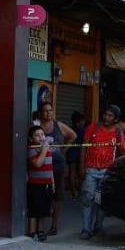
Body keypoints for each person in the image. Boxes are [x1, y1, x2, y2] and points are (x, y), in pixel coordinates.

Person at [78, 105, 125, 239]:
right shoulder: (93, 127)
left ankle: (98, 227)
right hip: (91, 170)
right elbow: (83, 147)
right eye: (106, 114)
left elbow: (123, 151)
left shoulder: (117, 132)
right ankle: (86, 229)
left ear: (115, 119)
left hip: (106, 172)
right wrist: (81, 167)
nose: (106, 117)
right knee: (87, 199)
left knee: (101, 201)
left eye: (110, 116)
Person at [36, 100, 76, 235]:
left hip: (58, 165)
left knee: (57, 195)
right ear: (40, 113)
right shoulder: (36, 126)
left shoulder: (58, 125)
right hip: (41, 166)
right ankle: (38, 226)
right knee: (40, 194)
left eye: (50, 110)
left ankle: (54, 226)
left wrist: (64, 150)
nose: (48, 113)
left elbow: (73, 136)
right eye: (45, 111)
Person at [26, 124, 54, 241]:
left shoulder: (47, 149)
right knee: (34, 208)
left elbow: (50, 167)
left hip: (47, 183)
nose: (41, 137)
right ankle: (32, 232)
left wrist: (53, 182)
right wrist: (44, 150)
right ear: (31, 139)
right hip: (35, 184)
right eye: (37, 136)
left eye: (42, 134)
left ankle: (40, 230)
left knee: (44, 209)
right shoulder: (31, 150)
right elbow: (38, 164)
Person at [67, 111, 87, 200]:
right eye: (83, 120)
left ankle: (74, 192)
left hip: (71, 153)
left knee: (72, 173)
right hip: (81, 153)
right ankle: (78, 191)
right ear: (80, 121)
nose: (84, 122)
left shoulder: (69, 129)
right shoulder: (84, 130)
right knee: (81, 173)